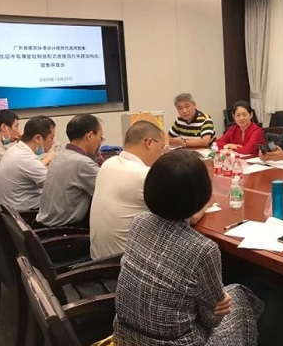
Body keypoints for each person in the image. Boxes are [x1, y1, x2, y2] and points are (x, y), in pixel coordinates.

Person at [113, 149, 263, 345]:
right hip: (176, 342)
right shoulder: (203, 249)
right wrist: (219, 300)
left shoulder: (139, 221)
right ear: (203, 194)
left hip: (126, 337)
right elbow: (211, 320)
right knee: (240, 296)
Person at [90, 120, 166, 259]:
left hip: (98, 261)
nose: (162, 154)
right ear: (149, 143)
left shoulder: (108, 163)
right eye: (162, 147)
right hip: (125, 264)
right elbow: (188, 216)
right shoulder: (144, 175)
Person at [35, 114, 103, 228]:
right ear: (90, 136)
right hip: (64, 232)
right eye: (101, 137)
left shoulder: (60, 156)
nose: (100, 142)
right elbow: (110, 192)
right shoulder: (83, 163)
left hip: (43, 226)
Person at [0, 115, 56, 211]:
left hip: (11, 213)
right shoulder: (27, 159)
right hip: (27, 215)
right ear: (37, 138)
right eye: (51, 138)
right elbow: (56, 188)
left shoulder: (15, 150)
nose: (53, 142)